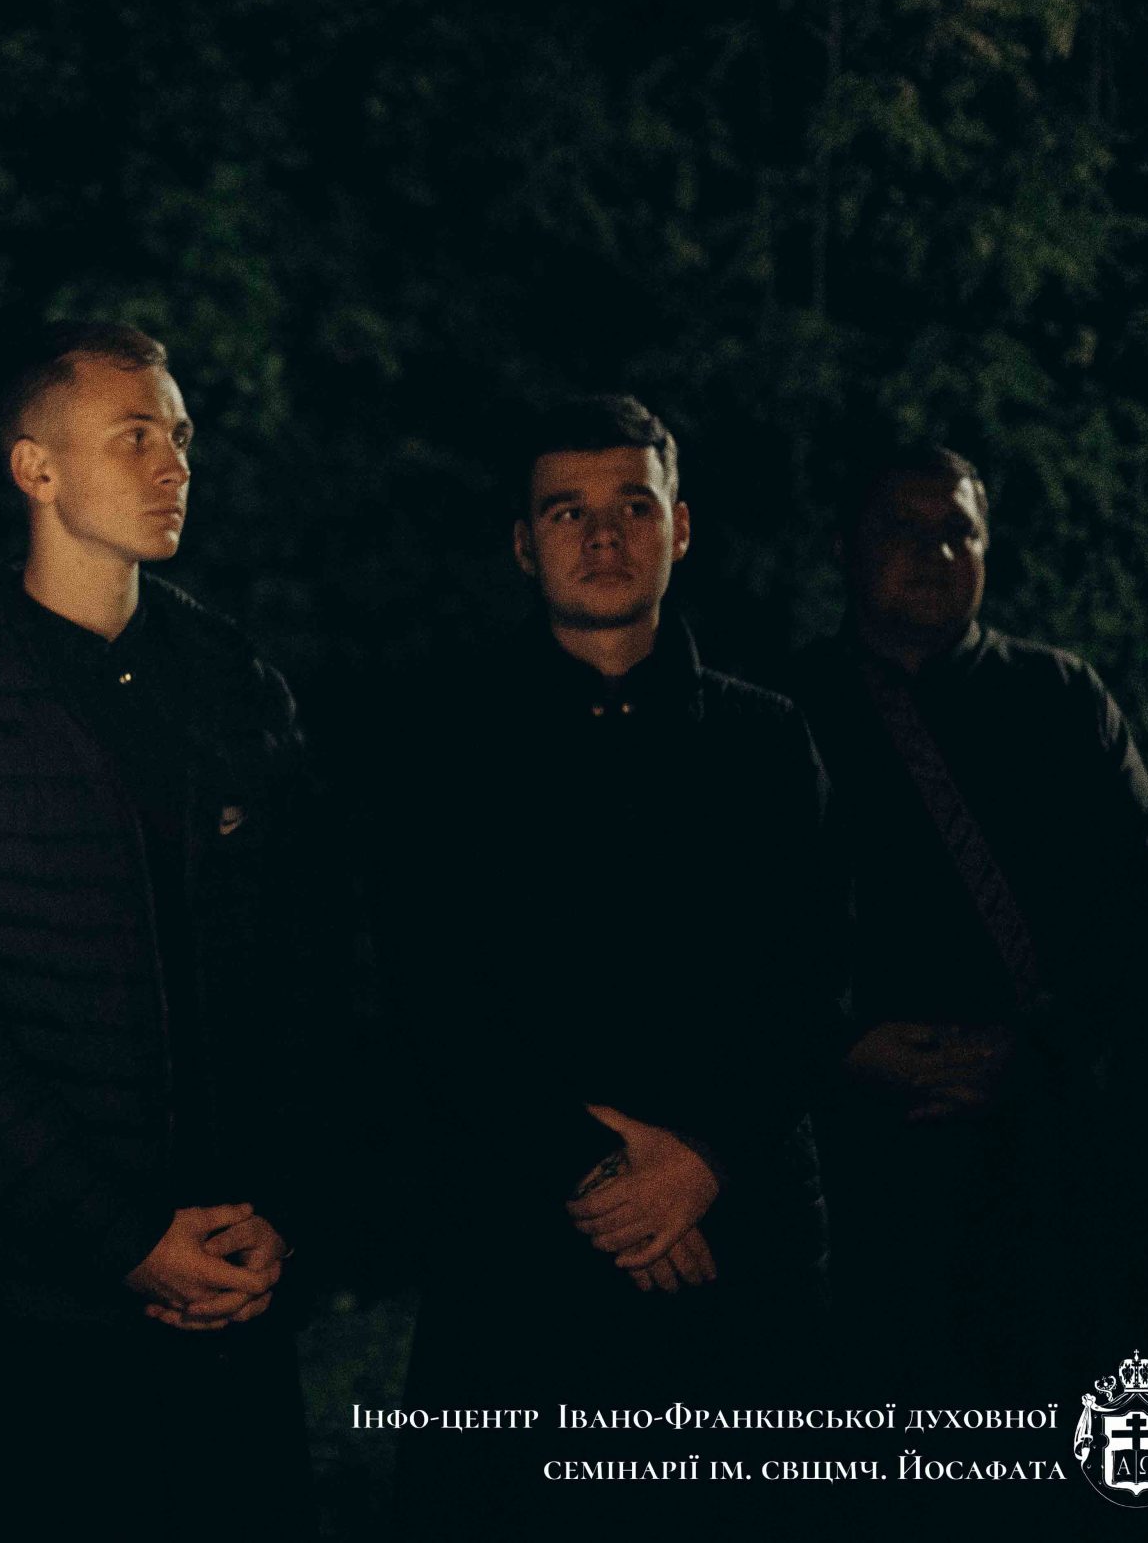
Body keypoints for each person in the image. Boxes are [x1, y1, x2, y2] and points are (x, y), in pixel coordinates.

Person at [0, 321, 321, 1539]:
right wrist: (120, 1238)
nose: (174, 465)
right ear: (36, 468)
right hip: (30, 1321)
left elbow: (305, 972)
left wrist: (280, 1211)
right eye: (133, 437)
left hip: (234, 1282)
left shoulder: (235, 687)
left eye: (179, 435)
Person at [394, 395, 838, 1522]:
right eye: (566, 511)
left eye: (632, 506)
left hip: (736, 1243)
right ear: (522, 542)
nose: (602, 536)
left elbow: (811, 981)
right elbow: (428, 990)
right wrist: (595, 1171)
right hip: (519, 1250)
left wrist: (702, 1161)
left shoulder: (766, 740)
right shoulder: (442, 740)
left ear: (679, 527)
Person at [782, 444, 1148, 1401]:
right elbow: (724, 937)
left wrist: (1037, 1050)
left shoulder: (1062, 700)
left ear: (989, 548)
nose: (935, 553)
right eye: (902, 529)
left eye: (958, 530)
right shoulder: (780, 714)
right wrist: (840, 1048)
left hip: (1047, 1158)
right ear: (844, 547)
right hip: (855, 1169)